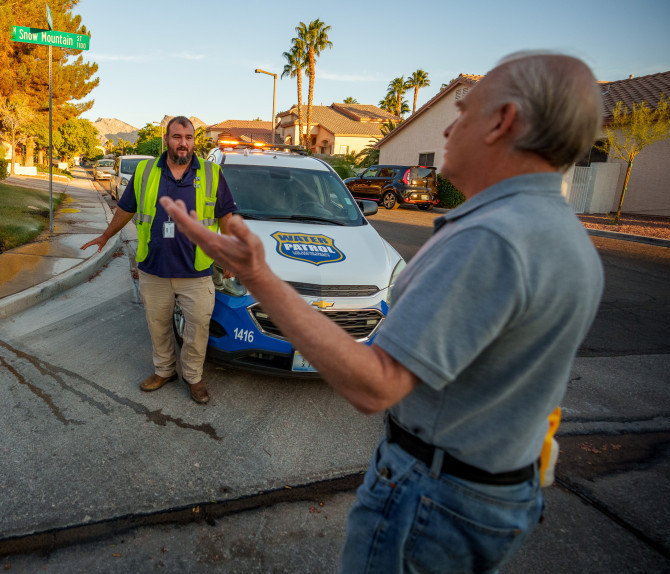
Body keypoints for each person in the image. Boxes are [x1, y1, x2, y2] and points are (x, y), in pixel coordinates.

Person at [159, 52, 604, 572]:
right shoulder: (565, 235)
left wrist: (260, 277)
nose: (450, 126)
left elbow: (376, 385)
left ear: (503, 122)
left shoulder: (491, 238)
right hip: (496, 488)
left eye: (465, 109)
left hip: (433, 498)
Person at [81, 116, 236, 404]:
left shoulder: (212, 173)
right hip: (154, 269)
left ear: (194, 141)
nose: (183, 143)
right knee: (158, 324)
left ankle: (193, 377)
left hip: (197, 270)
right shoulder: (146, 170)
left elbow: (226, 215)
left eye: (188, 137)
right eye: (177, 136)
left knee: (197, 327)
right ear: (166, 139)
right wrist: (105, 235)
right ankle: (165, 371)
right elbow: (126, 208)